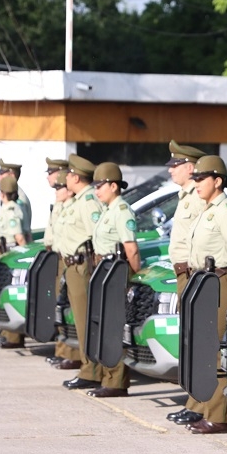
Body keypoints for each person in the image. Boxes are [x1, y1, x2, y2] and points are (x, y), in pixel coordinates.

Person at [185, 155, 227, 434]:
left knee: (218, 350)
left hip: (223, 281)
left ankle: (220, 416)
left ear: (218, 180)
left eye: (201, 178)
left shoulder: (226, 210)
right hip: (206, 282)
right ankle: (205, 407)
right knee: (205, 349)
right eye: (195, 178)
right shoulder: (208, 208)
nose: (196, 182)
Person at [85, 162, 140, 398]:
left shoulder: (122, 211)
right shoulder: (108, 210)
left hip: (117, 271)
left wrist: (134, 278)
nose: (97, 190)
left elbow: (131, 249)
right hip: (103, 270)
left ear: (114, 186)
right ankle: (108, 377)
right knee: (104, 324)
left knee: (114, 326)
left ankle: (116, 381)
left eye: (101, 185)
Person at [162, 141, 208, 425]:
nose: (171, 171)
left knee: (198, 341)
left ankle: (199, 403)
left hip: (193, 273)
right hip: (183, 274)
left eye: (175, 165)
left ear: (190, 168)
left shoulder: (198, 197)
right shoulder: (185, 196)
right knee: (189, 340)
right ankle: (193, 400)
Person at [60, 154, 104, 390]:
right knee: (79, 320)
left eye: (68, 173)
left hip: (82, 265)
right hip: (72, 265)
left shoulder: (88, 202)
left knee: (86, 320)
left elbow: (96, 236)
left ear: (75, 176)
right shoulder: (79, 200)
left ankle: (92, 370)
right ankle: (89, 367)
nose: (65, 177)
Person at [44, 159, 84, 369]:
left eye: (61, 183)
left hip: (74, 261)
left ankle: (75, 354)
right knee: (64, 307)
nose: (58, 187)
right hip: (61, 257)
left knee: (74, 309)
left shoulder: (78, 204)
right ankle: (65, 350)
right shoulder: (63, 204)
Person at [0, 175, 27, 349]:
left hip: (11, 255)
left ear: (3, 193)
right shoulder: (10, 207)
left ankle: (13, 337)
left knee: (9, 295)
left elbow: (19, 237)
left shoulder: (11, 210)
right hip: (5, 255)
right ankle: (8, 334)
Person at [0, 159, 31, 243]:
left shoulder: (18, 199)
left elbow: (22, 233)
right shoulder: (9, 194)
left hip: (13, 248)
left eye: (2, 173)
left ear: (12, 175)